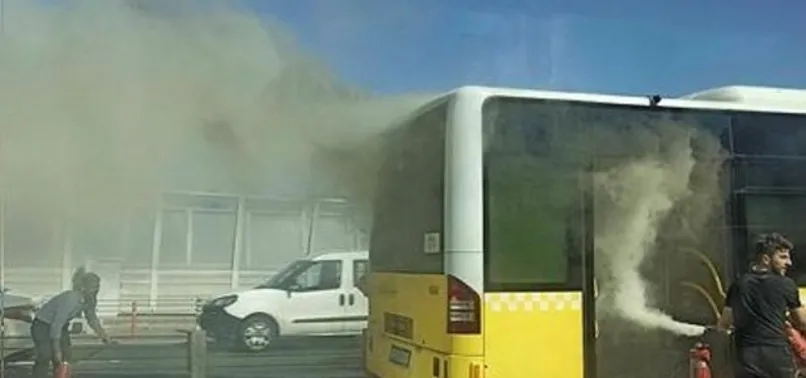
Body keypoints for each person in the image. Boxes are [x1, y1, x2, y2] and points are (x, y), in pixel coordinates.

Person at [717, 232, 806, 378]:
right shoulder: (786, 285)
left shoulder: (739, 285)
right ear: (766, 259)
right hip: (777, 357)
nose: (789, 263)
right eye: (783, 257)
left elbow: (723, 325)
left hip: (746, 358)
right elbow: (802, 322)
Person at [30, 267, 114, 378]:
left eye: (97, 287)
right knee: (46, 355)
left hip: (61, 325)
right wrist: (56, 350)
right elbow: (57, 324)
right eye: (93, 287)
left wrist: (105, 337)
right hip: (42, 325)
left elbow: (92, 319)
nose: (95, 290)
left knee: (66, 356)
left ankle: (61, 375)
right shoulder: (71, 299)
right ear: (84, 287)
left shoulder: (90, 300)